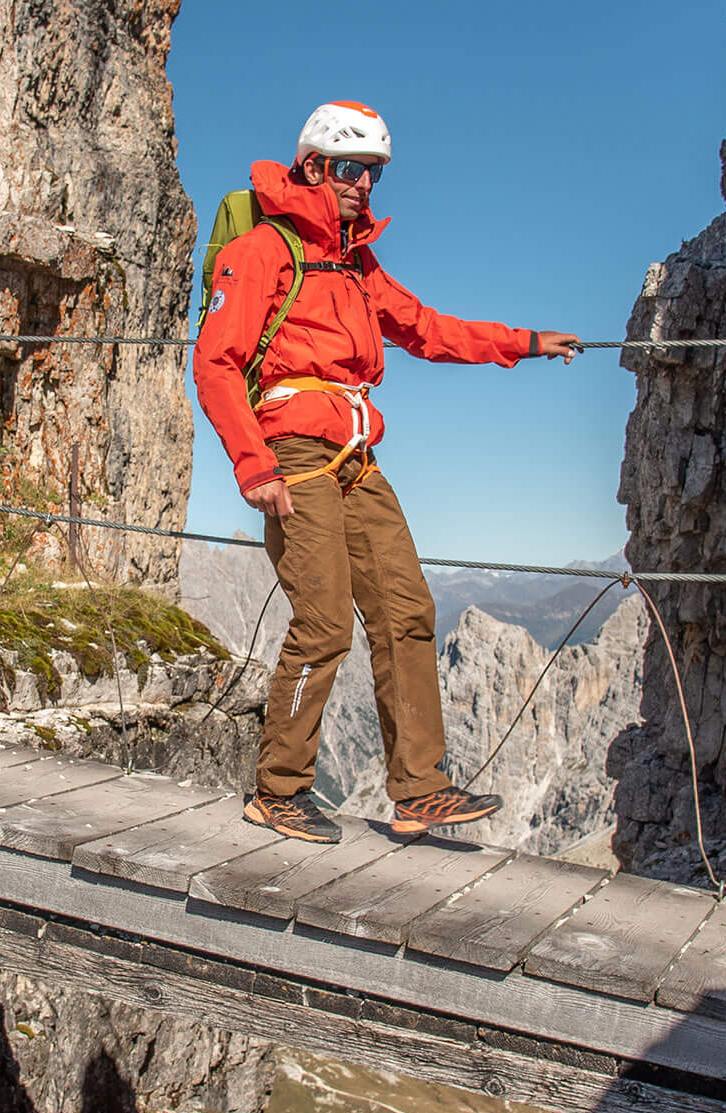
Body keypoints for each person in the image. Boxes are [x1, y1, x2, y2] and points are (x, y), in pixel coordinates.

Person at [195, 101, 582, 844]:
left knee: (408, 610)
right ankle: (277, 790)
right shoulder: (267, 250)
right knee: (325, 620)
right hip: (295, 455)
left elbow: (427, 328)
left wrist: (525, 342)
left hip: (357, 457)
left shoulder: (354, 262)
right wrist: (255, 466)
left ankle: (419, 791)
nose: (364, 184)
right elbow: (214, 362)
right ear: (312, 165)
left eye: (374, 172)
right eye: (350, 168)